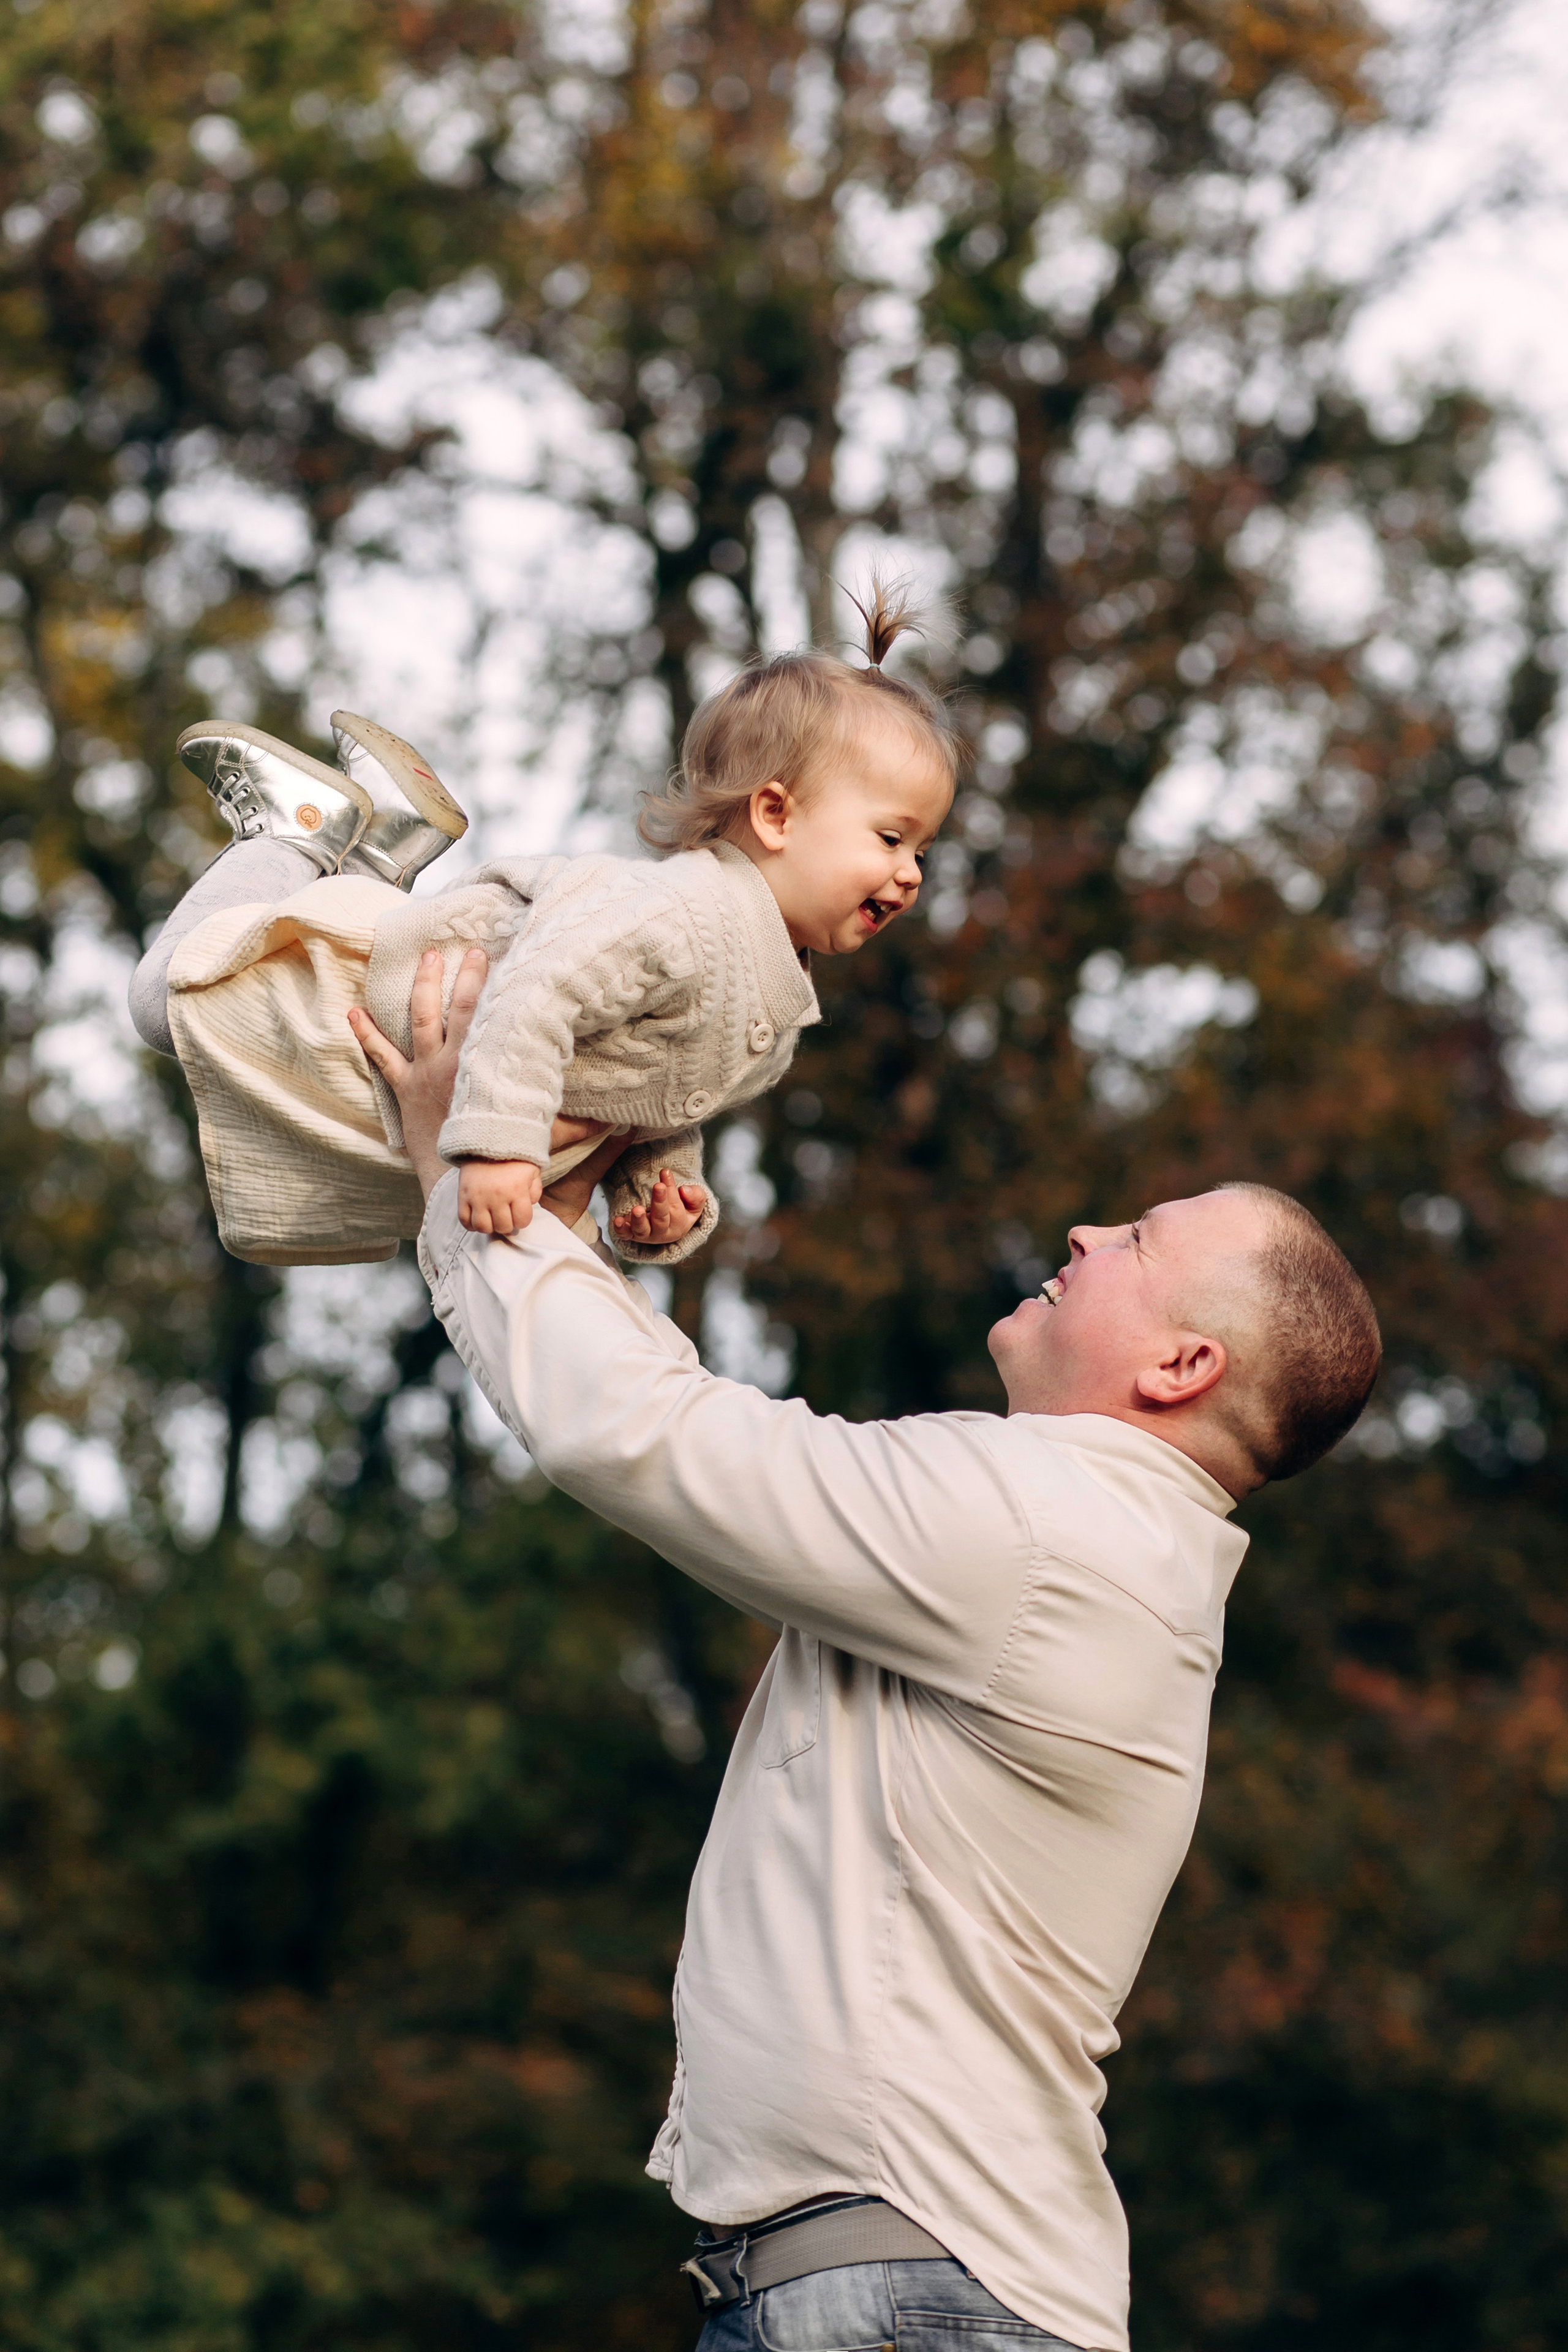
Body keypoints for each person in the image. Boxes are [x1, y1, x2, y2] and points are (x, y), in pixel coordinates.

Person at [348, 951, 1382, 2352]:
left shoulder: (1049, 1530)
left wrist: (467, 1185)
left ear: (1181, 1370)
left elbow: (653, 1437)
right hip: (893, 2299)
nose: (1082, 1233)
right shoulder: (1072, 1547)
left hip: (909, 2308)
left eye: (1136, 1241)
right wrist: (577, 1221)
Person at [127, 585, 954, 1270]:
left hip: (423, 1047)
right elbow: (542, 992)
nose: (912, 871)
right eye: (890, 837)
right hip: (383, 992)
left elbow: (644, 1083)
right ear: (775, 814)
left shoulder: (770, 981)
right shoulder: (687, 913)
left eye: (922, 846)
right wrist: (497, 1146)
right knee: (167, 1002)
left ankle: (384, 848)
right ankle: (295, 833)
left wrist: (657, 1190)